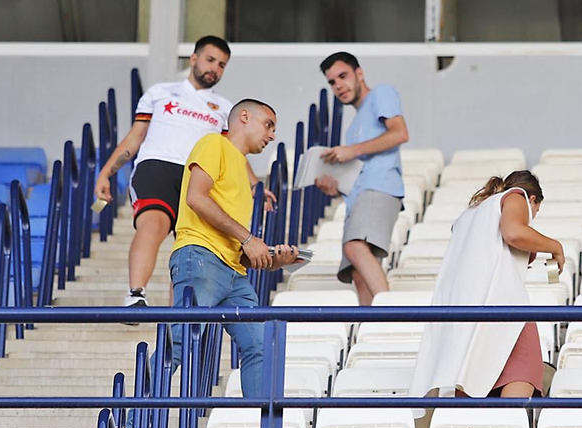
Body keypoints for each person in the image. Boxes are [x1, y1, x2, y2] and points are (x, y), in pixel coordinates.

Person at [96, 36, 241, 309]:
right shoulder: (160, 92)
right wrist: (106, 173)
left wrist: (256, 184)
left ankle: (179, 319)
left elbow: (233, 153)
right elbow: (135, 137)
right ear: (194, 58)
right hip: (157, 166)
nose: (215, 69)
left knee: (189, 249)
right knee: (153, 224)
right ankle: (136, 295)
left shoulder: (225, 108)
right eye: (210, 60)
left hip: (199, 176)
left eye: (222, 65)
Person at [169, 99, 300, 399]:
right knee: (178, 343)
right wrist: (247, 238)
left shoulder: (242, 172)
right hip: (201, 257)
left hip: (233, 272)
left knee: (260, 344)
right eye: (268, 124)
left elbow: (236, 243)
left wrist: (273, 259)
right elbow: (196, 199)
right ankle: (132, 425)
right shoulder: (214, 143)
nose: (272, 135)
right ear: (244, 117)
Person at [410, 171, 564, 422]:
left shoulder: (472, 214)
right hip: (505, 311)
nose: (532, 216)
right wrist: (554, 246)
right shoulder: (517, 196)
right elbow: (514, 232)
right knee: (522, 375)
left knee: (469, 382)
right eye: (535, 210)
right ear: (532, 199)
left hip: (466, 315)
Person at [314, 52, 409, 305]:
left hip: (379, 188)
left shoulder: (381, 93)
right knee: (357, 274)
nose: (338, 86)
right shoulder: (352, 127)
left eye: (343, 76)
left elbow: (400, 133)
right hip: (359, 196)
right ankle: (374, 334)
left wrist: (351, 151)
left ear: (359, 73)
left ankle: (394, 317)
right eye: (332, 82)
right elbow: (357, 171)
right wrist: (333, 188)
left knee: (355, 247)